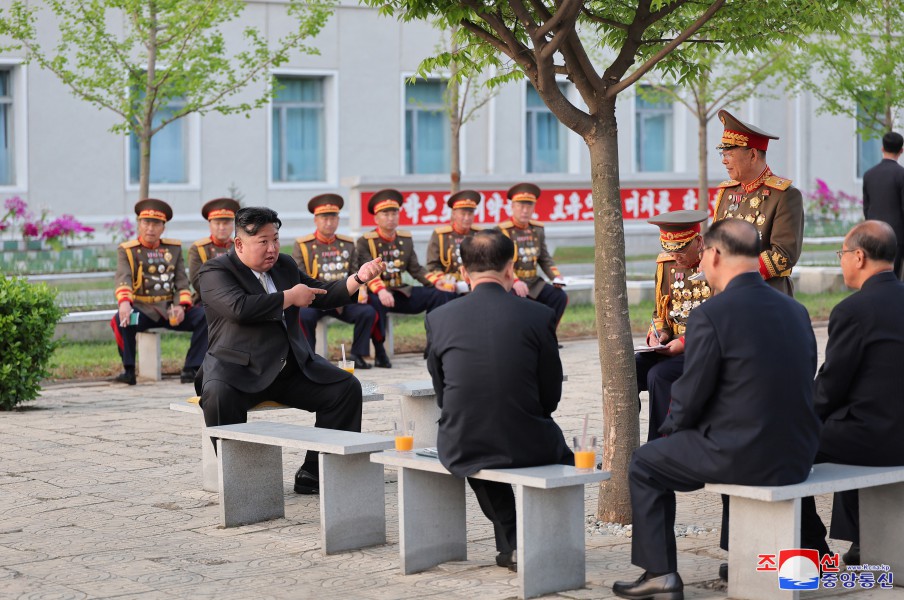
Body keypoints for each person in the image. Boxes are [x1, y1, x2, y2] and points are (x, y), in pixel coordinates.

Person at [612, 219, 820, 600]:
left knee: (645, 463)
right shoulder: (795, 310)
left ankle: (659, 573)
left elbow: (689, 396)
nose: (701, 260)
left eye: (704, 251)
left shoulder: (713, 314)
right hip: (797, 452)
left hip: (743, 453)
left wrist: (670, 432)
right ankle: (809, 552)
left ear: (717, 254)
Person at [197, 207, 384, 494]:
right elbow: (239, 309)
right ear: (239, 244)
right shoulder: (215, 271)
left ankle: (315, 473)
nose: (272, 249)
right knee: (217, 396)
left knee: (345, 388)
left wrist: (357, 278)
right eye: (263, 241)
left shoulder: (284, 265)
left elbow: (320, 294)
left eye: (276, 239)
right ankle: (242, 482)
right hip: (236, 369)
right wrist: (288, 297)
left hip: (288, 367)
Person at [426, 229, 573, 572]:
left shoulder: (438, 318)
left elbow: (442, 391)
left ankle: (511, 539)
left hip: (463, 441)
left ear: (463, 273)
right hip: (530, 440)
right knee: (546, 443)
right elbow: (550, 394)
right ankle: (532, 541)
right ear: (511, 269)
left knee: (476, 438)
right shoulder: (538, 315)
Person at [799, 220, 904, 564]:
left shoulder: (853, 311)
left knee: (783, 444)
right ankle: (861, 541)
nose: (840, 260)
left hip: (876, 438)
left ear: (859, 257)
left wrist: (795, 420)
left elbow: (829, 389)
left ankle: (810, 550)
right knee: (844, 424)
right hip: (888, 429)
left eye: (842, 254)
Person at [111, 199, 207, 385]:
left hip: (169, 311)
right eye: (146, 223)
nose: (150, 228)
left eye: (156, 224)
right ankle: (129, 370)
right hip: (143, 311)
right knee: (123, 318)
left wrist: (180, 306)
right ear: (139, 225)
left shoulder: (173, 248)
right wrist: (124, 303)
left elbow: (181, 281)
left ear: (163, 228)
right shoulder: (127, 251)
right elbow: (124, 277)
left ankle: (191, 367)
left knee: (205, 316)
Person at [356, 188, 455, 368]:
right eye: (385, 214)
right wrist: (381, 290)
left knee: (438, 295)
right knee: (376, 302)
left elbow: (415, 269)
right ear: (376, 218)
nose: (391, 217)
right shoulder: (365, 241)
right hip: (378, 292)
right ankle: (380, 352)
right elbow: (366, 273)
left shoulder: (405, 239)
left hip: (400, 290)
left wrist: (435, 281)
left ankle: (433, 344)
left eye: (394, 213)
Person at [635, 210, 709, 442]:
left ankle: (661, 445)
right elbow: (660, 312)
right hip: (670, 346)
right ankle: (622, 443)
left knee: (658, 375)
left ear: (698, 241)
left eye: (680, 250)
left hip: (701, 347)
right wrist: (658, 335)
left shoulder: (713, 264)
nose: (674, 256)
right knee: (629, 369)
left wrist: (684, 343)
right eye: (670, 250)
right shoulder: (665, 265)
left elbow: (720, 318)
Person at [712, 109, 804, 296]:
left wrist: (737, 274)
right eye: (722, 154)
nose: (724, 161)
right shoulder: (727, 192)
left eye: (729, 154)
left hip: (764, 294)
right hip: (724, 294)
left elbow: (783, 255)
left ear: (752, 155)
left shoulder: (784, 195)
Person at [293, 194, 378, 369]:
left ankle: (357, 355)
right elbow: (299, 275)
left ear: (338, 220)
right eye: (324, 218)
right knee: (304, 315)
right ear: (316, 220)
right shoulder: (303, 245)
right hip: (316, 298)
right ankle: (308, 358)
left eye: (333, 218)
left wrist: (361, 289)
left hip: (343, 297)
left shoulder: (347, 244)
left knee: (367, 312)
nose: (329, 222)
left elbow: (355, 272)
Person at [498, 183, 568, 326]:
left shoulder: (537, 230)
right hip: (510, 283)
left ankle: (547, 337)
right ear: (512, 207)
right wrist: (515, 281)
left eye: (529, 206)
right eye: (521, 206)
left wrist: (556, 276)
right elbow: (501, 261)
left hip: (533, 282)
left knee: (559, 296)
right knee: (516, 305)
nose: (525, 211)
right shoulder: (502, 231)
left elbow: (544, 258)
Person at [862, 131, 904, 279]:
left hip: (873, 236)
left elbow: (866, 208)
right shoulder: (901, 174)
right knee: (893, 278)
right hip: (897, 237)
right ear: (901, 150)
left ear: (882, 148)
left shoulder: (869, 175)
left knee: (873, 277)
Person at [425, 189, 482, 293]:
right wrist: (445, 280)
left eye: (470, 214)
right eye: (463, 214)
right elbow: (432, 266)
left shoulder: (480, 234)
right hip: (449, 285)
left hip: (475, 284)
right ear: (454, 214)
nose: (467, 218)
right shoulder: (441, 235)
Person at [188, 197, 241, 305]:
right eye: (217, 223)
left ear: (233, 225)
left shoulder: (240, 247)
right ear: (210, 225)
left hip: (239, 298)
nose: (222, 227)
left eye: (226, 223)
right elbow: (197, 282)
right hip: (208, 302)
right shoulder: (198, 249)